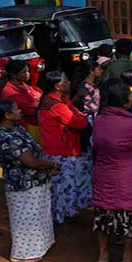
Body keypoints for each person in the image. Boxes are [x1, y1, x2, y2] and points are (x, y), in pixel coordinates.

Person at [0, 99, 61, 262]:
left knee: (37, 214)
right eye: (16, 109)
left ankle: (38, 247)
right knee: (27, 217)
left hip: (34, 180)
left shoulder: (15, 129)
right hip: (22, 183)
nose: (20, 110)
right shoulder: (6, 137)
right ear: (7, 115)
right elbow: (30, 161)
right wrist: (52, 164)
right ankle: (25, 253)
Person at [92, 81, 132, 262]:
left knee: (103, 215)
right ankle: (127, 257)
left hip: (103, 173)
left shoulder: (99, 119)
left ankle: (103, 255)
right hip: (128, 176)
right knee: (129, 216)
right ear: (125, 100)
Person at [37, 71, 92, 224]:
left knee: (61, 187)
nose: (69, 83)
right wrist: (78, 114)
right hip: (61, 151)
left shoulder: (54, 100)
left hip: (57, 150)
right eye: (66, 81)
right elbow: (80, 122)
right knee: (63, 187)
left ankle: (61, 215)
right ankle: (59, 218)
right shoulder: (57, 106)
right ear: (58, 86)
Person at [1, 60, 44, 141]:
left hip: (35, 124)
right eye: (24, 72)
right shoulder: (10, 91)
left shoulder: (23, 84)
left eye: (28, 71)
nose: (28, 74)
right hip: (27, 127)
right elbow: (30, 110)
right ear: (13, 75)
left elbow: (39, 94)